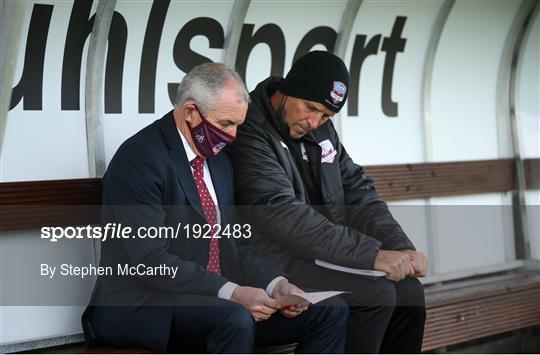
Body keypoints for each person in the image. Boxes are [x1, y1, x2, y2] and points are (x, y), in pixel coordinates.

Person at [81, 63, 349, 353]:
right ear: (190, 113)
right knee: (233, 318)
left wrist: (277, 285)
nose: (232, 136)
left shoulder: (218, 161)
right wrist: (233, 292)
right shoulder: (140, 159)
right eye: (225, 124)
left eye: (237, 125)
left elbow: (233, 244)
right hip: (143, 304)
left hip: (211, 302)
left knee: (329, 310)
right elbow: (150, 259)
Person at [226, 51, 427, 353]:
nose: (314, 121)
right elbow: (283, 214)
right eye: (310, 108)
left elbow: (358, 190)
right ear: (288, 89)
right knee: (375, 295)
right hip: (271, 263)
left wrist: (399, 246)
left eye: (326, 116)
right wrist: (372, 254)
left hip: (317, 255)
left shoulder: (321, 129)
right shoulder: (250, 130)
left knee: (410, 292)